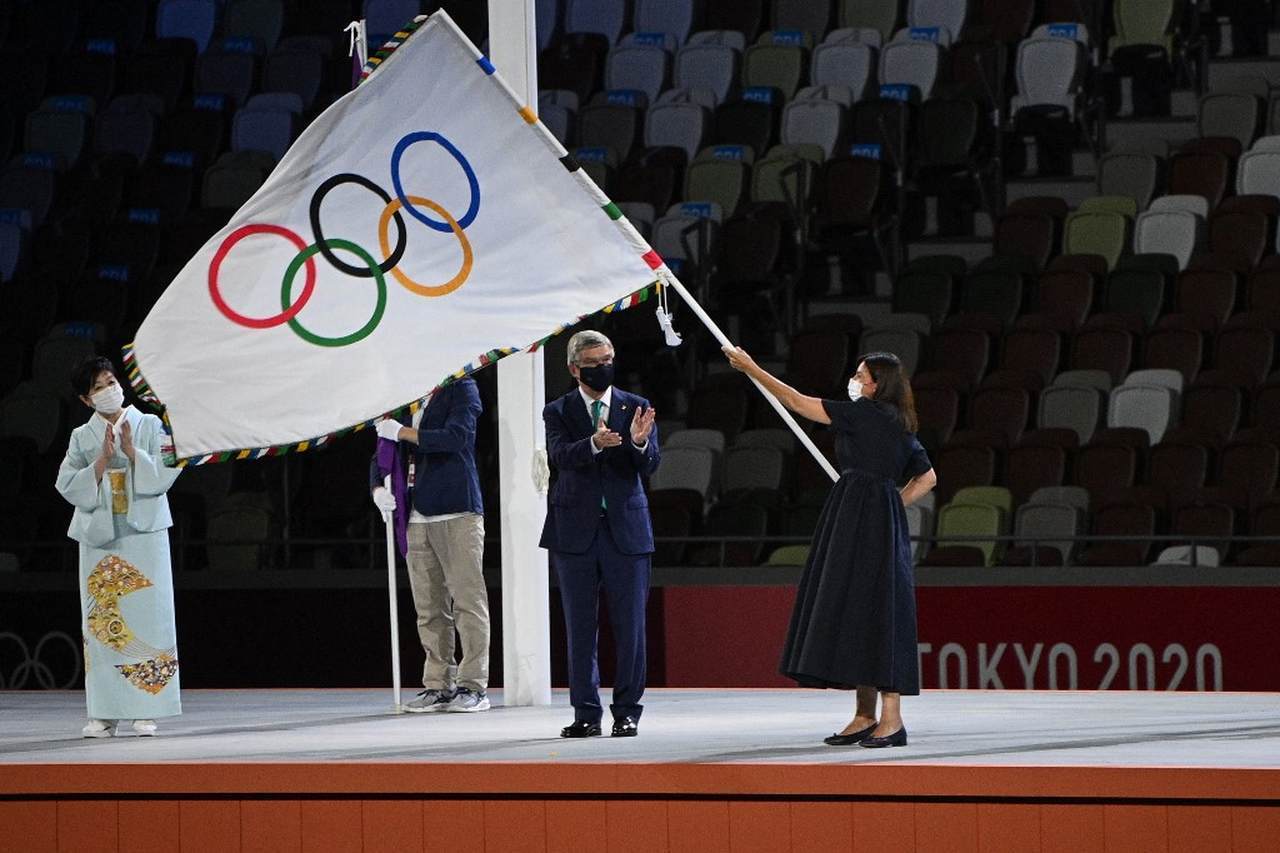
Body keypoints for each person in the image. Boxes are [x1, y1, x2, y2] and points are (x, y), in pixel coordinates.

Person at [723, 347, 936, 748]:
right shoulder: (901, 424)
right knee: (865, 606)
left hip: (859, 514)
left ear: (877, 384)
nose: (854, 380)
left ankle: (890, 720)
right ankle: (864, 715)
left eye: (861, 374)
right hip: (871, 516)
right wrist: (891, 503)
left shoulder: (866, 414)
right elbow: (928, 478)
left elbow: (797, 402)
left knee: (875, 609)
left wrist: (753, 368)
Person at [55, 356, 183, 738]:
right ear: (86, 399)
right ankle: (104, 713)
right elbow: (66, 483)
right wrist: (102, 461)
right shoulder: (82, 436)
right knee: (102, 622)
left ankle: (147, 709)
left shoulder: (148, 424)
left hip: (144, 531)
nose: (108, 390)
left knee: (150, 616)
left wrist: (131, 452)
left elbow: (168, 468)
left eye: (110, 381)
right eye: (98, 387)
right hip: (100, 536)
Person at [541, 330, 659, 738]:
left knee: (630, 628)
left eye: (608, 359)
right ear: (575, 369)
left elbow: (649, 465)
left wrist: (640, 444)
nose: (603, 367)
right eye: (594, 363)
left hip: (626, 531)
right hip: (574, 532)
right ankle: (586, 714)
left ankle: (627, 712)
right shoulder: (557, 411)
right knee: (579, 628)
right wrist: (592, 442)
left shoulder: (636, 406)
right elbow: (559, 456)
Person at [370, 377, 490, 713]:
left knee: (468, 601)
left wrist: (404, 433)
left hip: (457, 508)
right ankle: (438, 685)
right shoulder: (403, 395)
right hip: (414, 513)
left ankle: (473, 685)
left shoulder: (461, 388)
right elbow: (383, 449)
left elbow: (458, 437)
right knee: (429, 607)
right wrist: (377, 488)